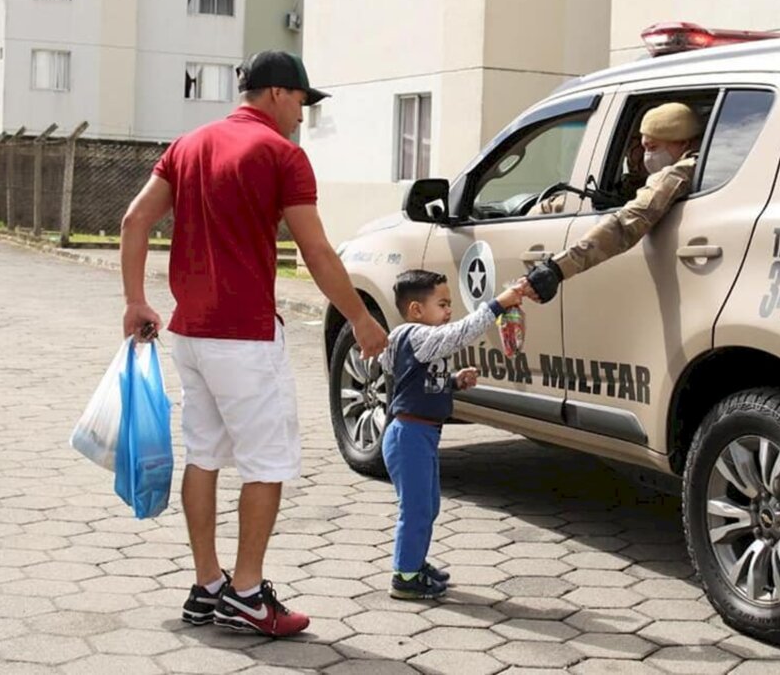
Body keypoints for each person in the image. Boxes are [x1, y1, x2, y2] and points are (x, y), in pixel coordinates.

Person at [119, 50, 388, 637]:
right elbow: (316, 252)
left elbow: (134, 220)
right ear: (275, 94)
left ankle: (207, 585)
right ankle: (245, 594)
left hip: (190, 333)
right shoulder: (282, 155)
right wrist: (361, 320)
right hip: (243, 337)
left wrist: (136, 301)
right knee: (266, 464)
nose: (302, 114)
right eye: (300, 101)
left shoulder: (186, 146)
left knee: (206, 456)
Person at [380, 270, 523, 599]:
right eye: (442, 304)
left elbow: (412, 378)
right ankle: (405, 577)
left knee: (428, 506)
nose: (448, 312)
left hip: (421, 435)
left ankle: (414, 562)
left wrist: (455, 381)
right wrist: (498, 305)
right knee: (415, 509)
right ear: (416, 310)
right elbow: (460, 334)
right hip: (409, 436)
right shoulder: (418, 335)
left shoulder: (411, 338)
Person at [523, 102, 702, 302]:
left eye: (652, 147)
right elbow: (621, 195)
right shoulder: (695, 167)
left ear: (683, 143)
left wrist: (557, 268)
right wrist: (546, 208)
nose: (645, 157)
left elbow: (627, 222)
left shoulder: (679, 172)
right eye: (640, 148)